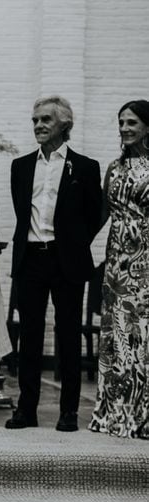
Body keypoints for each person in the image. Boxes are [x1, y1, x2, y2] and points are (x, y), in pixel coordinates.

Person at [6, 96, 102, 432]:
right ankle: (26, 409)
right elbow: (23, 214)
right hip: (31, 258)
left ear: (64, 124)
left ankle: (69, 412)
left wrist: (75, 242)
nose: (38, 126)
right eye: (34, 120)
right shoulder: (20, 166)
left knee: (68, 335)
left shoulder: (85, 167)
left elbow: (96, 213)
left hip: (67, 261)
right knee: (30, 337)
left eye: (45, 119)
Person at [89, 100, 149, 438]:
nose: (125, 128)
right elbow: (101, 214)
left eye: (132, 123)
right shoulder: (114, 168)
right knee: (118, 336)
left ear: (147, 127)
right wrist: (75, 245)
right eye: (122, 122)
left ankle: (143, 414)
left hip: (145, 260)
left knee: (143, 335)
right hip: (116, 264)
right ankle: (114, 412)